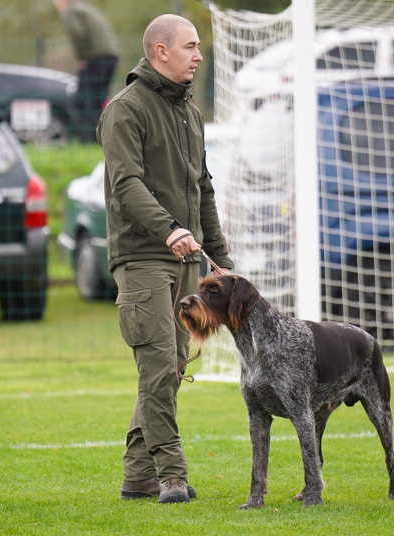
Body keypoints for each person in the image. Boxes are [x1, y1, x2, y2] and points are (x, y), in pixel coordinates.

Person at [96, 14, 233, 504]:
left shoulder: (190, 112)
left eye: (198, 47)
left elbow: (203, 188)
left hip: (188, 264)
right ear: (160, 51)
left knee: (172, 365)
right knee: (157, 365)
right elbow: (125, 184)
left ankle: (137, 474)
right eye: (191, 47)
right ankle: (171, 475)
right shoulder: (125, 110)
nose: (199, 55)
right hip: (143, 260)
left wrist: (221, 260)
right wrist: (170, 228)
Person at [53, 0, 119, 141]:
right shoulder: (85, 8)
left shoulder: (71, 11)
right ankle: (107, 136)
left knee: (83, 100)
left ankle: (93, 138)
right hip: (111, 56)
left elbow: (77, 33)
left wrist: (81, 58)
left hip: (96, 58)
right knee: (98, 100)